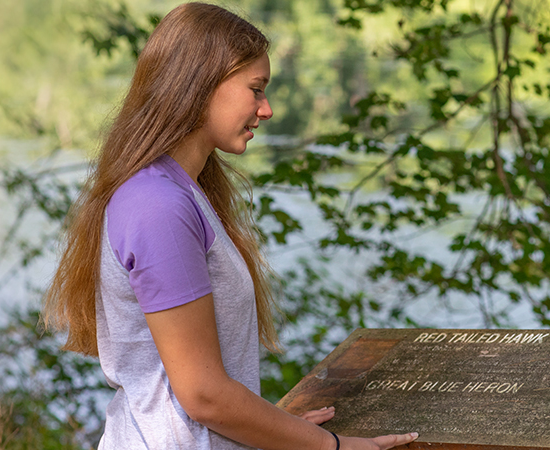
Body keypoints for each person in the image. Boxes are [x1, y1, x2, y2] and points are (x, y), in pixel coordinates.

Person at [43, 3, 419, 450]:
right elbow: (202, 396)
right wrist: (331, 447)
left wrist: (272, 425)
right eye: (256, 89)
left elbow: (192, 390)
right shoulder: (157, 205)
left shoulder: (179, 190)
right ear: (199, 85)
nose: (268, 110)